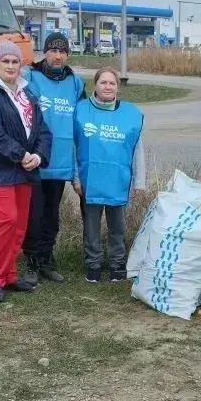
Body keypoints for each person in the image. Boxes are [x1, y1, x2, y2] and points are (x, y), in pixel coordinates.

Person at [0, 32, 87, 285]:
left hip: (55, 161)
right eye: (52, 50)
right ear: (44, 52)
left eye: (62, 51)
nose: (57, 55)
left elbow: (78, 117)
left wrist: (68, 166)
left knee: (49, 218)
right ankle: (26, 263)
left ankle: (44, 260)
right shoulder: (29, 77)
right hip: (25, 165)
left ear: (68, 54)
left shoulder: (74, 83)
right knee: (28, 218)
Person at [0, 39, 52, 303]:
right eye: (5, 61)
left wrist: (37, 155)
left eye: (15, 61)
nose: (11, 66)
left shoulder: (27, 94)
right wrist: (21, 154)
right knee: (4, 222)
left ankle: (9, 275)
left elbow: (43, 131)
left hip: (24, 171)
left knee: (17, 226)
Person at [72, 67, 147, 283]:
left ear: (118, 88)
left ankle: (117, 265)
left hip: (118, 181)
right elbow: (72, 147)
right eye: (103, 82)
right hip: (89, 182)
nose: (107, 86)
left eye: (112, 83)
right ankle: (93, 265)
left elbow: (137, 151)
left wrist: (139, 182)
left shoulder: (130, 115)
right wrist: (75, 177)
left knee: (118, 228)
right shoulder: (81, 110)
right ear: (94, 86)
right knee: (91, 228)